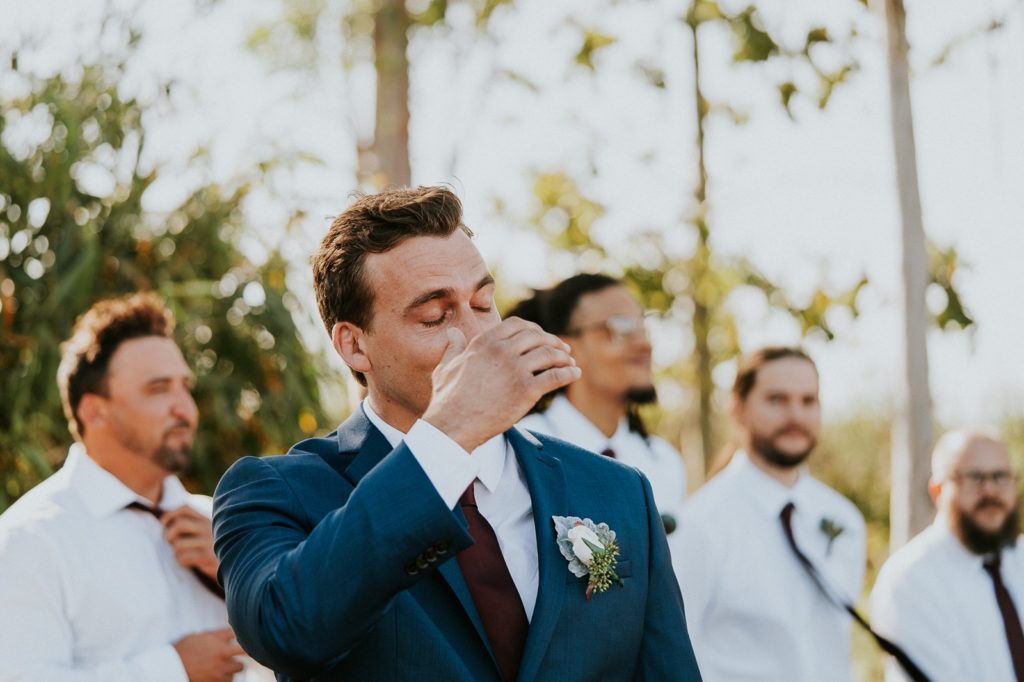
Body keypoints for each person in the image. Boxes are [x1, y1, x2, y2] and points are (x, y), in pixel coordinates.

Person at [212, 186, 701, 681]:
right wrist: (447, 434)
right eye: (435, 315)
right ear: (355, 346)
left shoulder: (617, 491)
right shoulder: (279, 491)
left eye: (483, 303)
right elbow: (286, 630)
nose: (476, 337)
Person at [0, 293, 267, 682]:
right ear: (94, 410)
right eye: (159, 389)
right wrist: (173, 670)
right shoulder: (30, 539)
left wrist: (243, 576)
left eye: (184, 387)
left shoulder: (220, 524)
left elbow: (311, 658)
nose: (185, 409)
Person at [670, 346, 866, 681]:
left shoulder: (844, 518)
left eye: (808, 401)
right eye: (777, 400)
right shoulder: (699, 523)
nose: (796, 416)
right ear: (738, 408)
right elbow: (677, 651)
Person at [510, 274, 687, 533]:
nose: (644, 343)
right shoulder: (522, 449)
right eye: (620, 328)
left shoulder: (665, 461)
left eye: (642, 327)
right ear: (567, 346)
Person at [871, 430, 1024, 682]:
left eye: (1000, 476)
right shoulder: (910, 580)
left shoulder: (1019, 559)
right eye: (974, 478)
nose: (990, 490)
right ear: (937, 490)